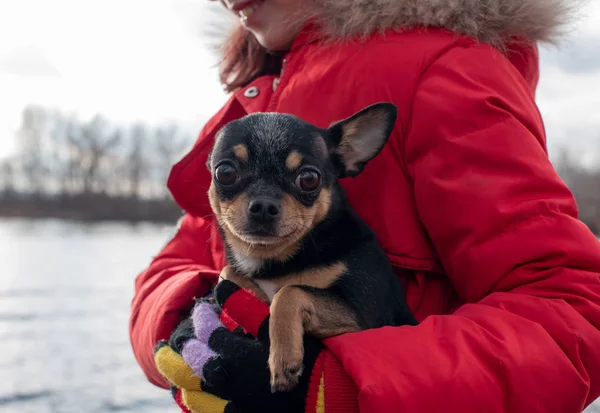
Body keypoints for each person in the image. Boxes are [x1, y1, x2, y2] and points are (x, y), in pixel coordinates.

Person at [129, 0, 600, 412]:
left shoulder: (442, 66)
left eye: (307, 179)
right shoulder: (254, 100)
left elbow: (574, 313)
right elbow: (173, 266)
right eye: (229, 177)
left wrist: (347, 390)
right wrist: (188, 328)